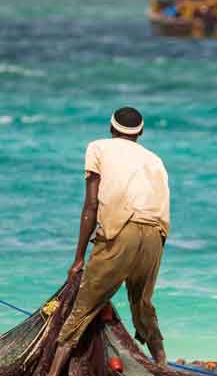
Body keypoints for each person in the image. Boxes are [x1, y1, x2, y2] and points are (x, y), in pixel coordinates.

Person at [49, 107, 170, 375]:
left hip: (121, 231)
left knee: (84, 306)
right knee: (142, 303)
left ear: (111, 128)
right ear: (140, 133)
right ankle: (161, 363)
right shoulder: (155, 159)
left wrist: (78, 258)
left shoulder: (98, 148)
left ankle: (53, 370)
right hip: (155, 235)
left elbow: (91, 206)